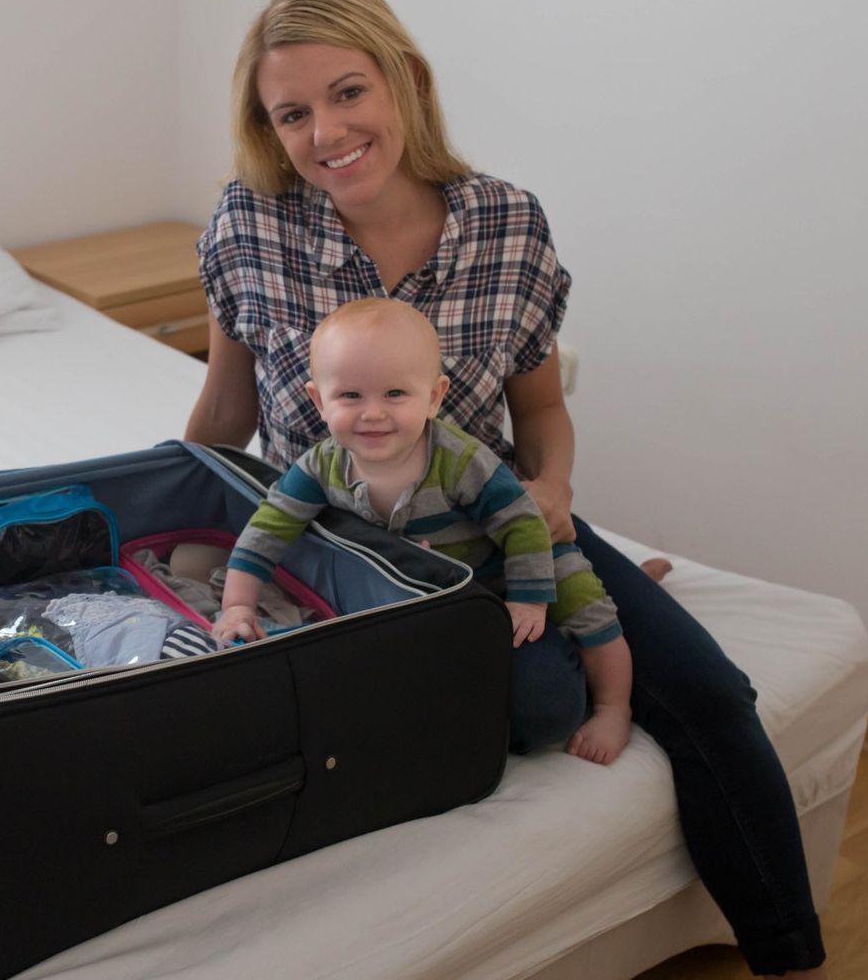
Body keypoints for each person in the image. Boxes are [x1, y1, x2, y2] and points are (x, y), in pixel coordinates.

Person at [183, 0, 863, 980]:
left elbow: (542, 418)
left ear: (404, 79)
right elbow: (224, 414)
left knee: (708, 697)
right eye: (290, 112)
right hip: (344, 553)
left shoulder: (505, 221)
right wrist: (193, 551)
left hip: (499, 525)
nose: (324, 132)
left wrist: (550, 498)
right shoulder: (247, 222)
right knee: (522, 713)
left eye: (347, 92)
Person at [213, 298, 633, 763]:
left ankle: (614, 706)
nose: (373, 413)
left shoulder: (460, 461)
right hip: (444, 587)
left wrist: (529, 598)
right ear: (318, 400)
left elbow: (523, 522)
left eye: (395, 394)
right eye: (351, 396)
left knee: (589, 610)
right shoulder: (319, 467)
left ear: (434, 397)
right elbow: (264, 532)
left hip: (513, 562)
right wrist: (236, 606)